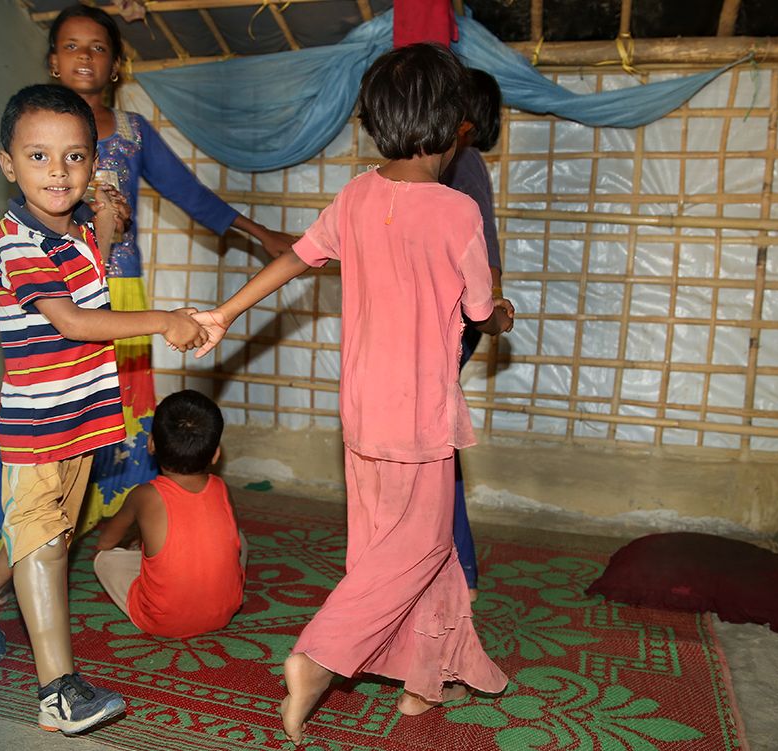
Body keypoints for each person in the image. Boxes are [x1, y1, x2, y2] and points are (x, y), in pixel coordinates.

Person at [0, 2, 295, 662]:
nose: (84, 57)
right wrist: (165, 318)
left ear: (116, 64)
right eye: (70, 46)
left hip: (121, 303)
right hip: (69, 321)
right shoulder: (33, 161)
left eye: (99, 47)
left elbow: (197, 198)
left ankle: (125, 547)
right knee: (43, 480)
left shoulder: (133, 134)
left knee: (85, 470)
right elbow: (65, 311)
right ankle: (36, 638)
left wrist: (262, 237)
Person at [190, 43, 513, 744]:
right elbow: (483, 311)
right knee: (425, 545)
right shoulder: (457, 213)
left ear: (374, 122)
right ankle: (317, 655)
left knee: (378, 548)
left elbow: (293, 260)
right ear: (455, 119)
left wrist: (223, 313)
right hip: (421, 414)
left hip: (361, 412)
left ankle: (423, 680)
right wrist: (503, 312)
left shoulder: (356, 195)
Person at [0, 83, 205, 734]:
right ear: (8, 163)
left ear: (92, 163)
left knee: (47, 535)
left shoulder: (70, 237)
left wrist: (103, 227)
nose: (57, 171)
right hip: (37, 426)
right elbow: (70, 320)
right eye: (37, 156)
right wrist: (163, 320)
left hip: (83, 420)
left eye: (73, 157)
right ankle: (57, 691)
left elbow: (86, 280)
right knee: (44, 543)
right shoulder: (16, 241)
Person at [92, 390, 246, 638]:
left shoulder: (144, 495)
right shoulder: (221, 488)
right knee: (239, 537)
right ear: (216, 453)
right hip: (223, 612)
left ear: (151, 443)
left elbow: (105, 542)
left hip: (164, 622)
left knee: (104, 560)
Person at [440, 68, 505, 599]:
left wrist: (486, 314)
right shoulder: (448, 161)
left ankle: (459, 571)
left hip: (456, 319)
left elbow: (482, 252)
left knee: (436, 442)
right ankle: (451, 569)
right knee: (433, 439)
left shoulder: (464, 162)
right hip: (451, 318)